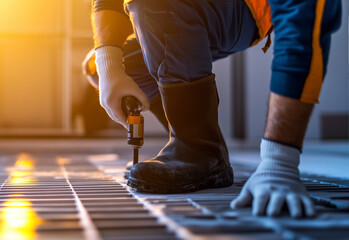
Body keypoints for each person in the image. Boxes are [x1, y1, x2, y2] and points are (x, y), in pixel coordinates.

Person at [88, 0, 341, 218]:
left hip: (244, 9)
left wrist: (279, 163)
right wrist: (108, 63)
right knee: (104, 66)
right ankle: (190, 141)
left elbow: (306, 21)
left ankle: (198, 149)